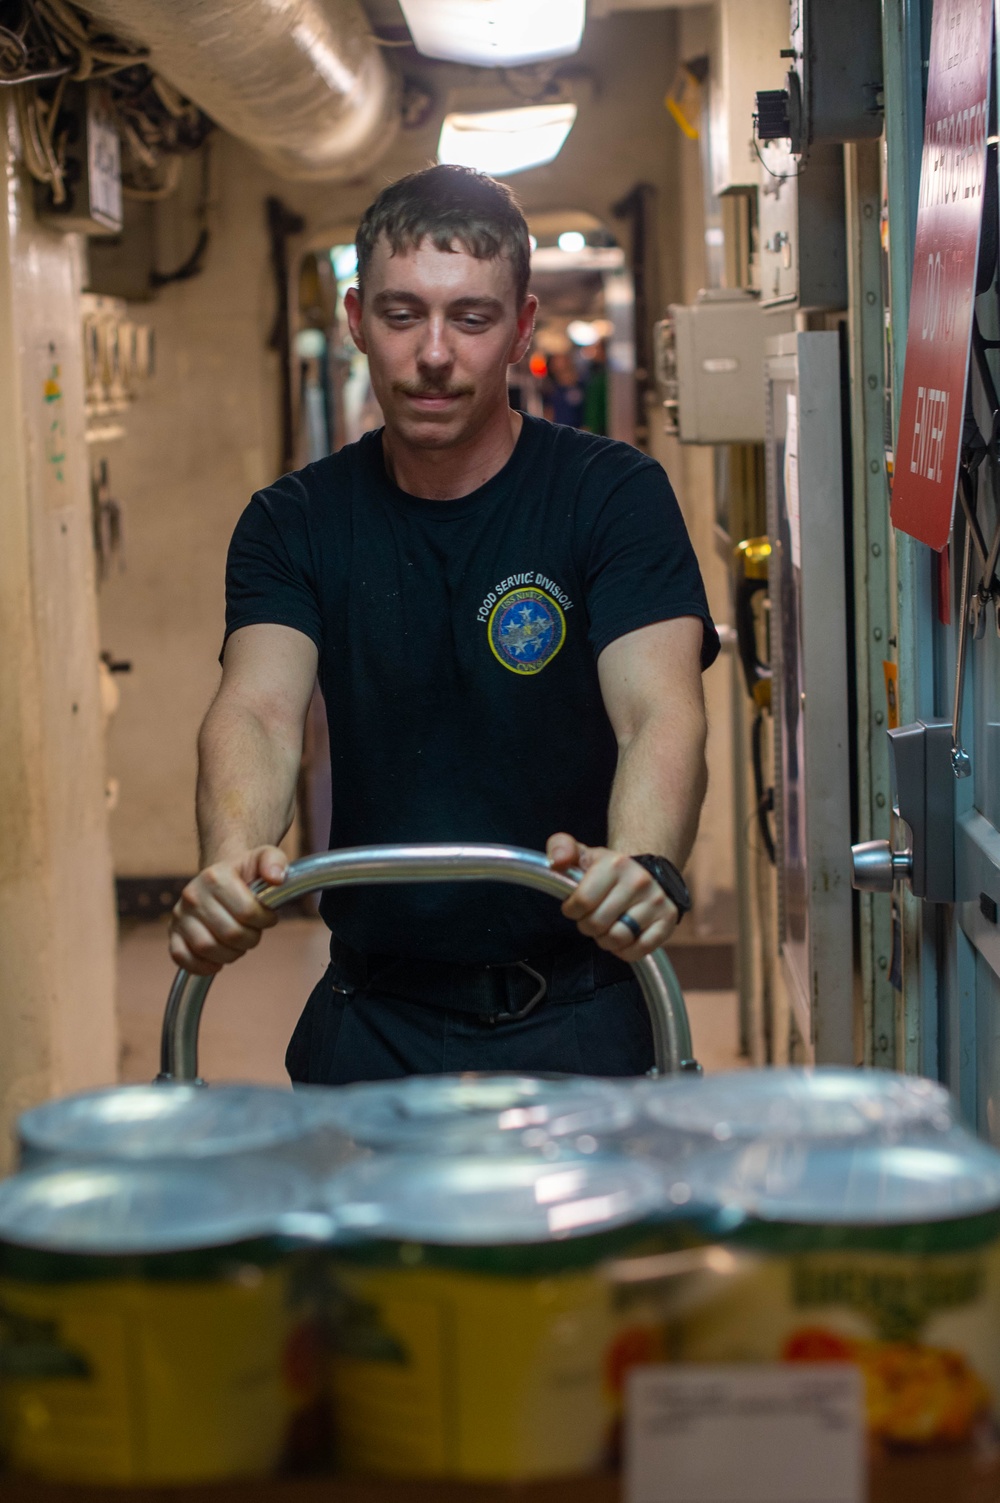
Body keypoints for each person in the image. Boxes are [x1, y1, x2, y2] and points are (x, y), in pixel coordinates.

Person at [168, 164, 719, 1083]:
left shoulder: (611, 496)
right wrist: (232, 865)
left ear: (521, 328)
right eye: (400, 314)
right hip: (372, 1017)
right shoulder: (294, 520)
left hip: (581, 1011)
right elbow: (260, 709)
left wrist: (643, 860)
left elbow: (658, 711)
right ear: (355, 321)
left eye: (470, 317)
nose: (433, 353)